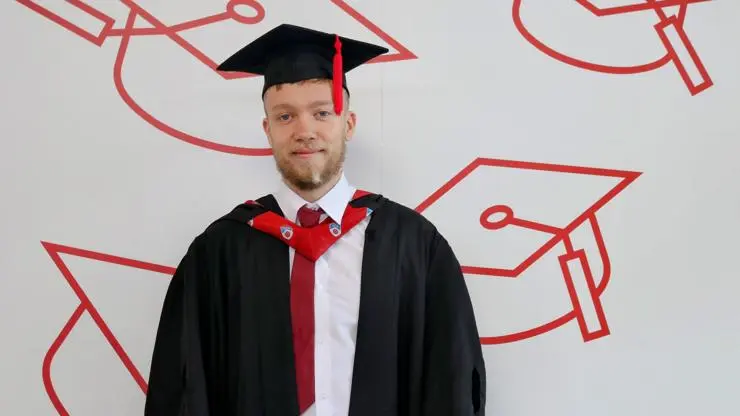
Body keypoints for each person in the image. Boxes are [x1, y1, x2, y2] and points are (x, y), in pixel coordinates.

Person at [143, 23, 486, 416]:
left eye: (322, 113)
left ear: (349, 125)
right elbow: (184, 385)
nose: (304, 130)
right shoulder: (220, 251)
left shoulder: (414, 246)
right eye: (285, 116)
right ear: (267, 130)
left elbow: (452, 379)